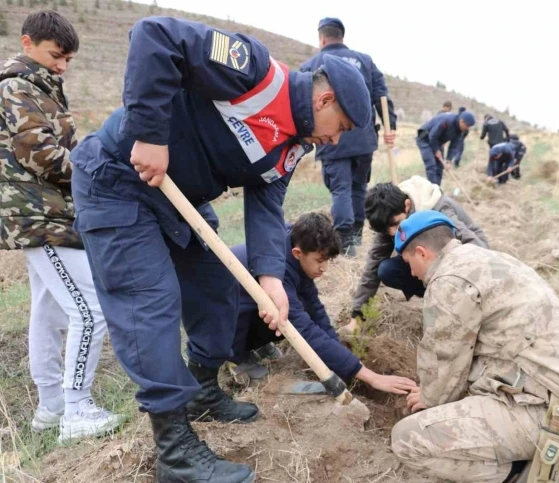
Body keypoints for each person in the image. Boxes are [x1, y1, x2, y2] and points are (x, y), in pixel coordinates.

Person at [69, 16, 372, 482]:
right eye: (340, 126)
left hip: (181, 200)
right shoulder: (253, 71)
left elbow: (268, 206)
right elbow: (154, 36)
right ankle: (175, 450)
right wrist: (151, 134)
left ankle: (204, 388)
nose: (334, 140)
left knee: (216, 285)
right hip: (119, 181)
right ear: (325, 99)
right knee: (152, 303)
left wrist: (271, 278)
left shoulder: (293, 148)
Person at [388, 210, 559, 483]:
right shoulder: (490, 259)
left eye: (408, 262)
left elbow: (444, 368)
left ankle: (525, 477)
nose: (411, 273)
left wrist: (427, 396)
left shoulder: (449, 281)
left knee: (407, 438)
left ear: (422, 253)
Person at [0, 10, 124, 443]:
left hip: (44, 212)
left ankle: (51, 408)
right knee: (90, 308)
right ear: (27, 42)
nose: (62, 66)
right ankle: (76, 410)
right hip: (40, 215)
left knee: (48, 311)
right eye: (57, 55)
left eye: (68, 59)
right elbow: (42, 155)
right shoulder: (18, 88)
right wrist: (100, 167)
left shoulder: (40, 87)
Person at [229, 212, 418, 396]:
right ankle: (236, 357)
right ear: (297, 253)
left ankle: (257, 343)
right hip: (219, 312)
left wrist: (342, 358)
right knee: (286, 316)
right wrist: (370, 377)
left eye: (327, 260)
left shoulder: (297, 243)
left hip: (245, 301)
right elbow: (306, 330)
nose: (324, 268)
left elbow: (315, 310)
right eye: (319, 261)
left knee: (297, 307)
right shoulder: (279, 270)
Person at [342, 176, 489, 334]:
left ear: (407, 205)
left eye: (396, 224)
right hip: (433, 263)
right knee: (387, 270)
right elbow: (372, 267)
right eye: (387, 230)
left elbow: (477, 246)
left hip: (465, 258)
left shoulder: (437, 210)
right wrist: (356, 317)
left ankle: (458, 304)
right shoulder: (387, 219)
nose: (393, 233)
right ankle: (436, 299)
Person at [300, 17, 396, 256]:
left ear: (322, 38)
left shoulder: (313, 63)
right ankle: (355, 238)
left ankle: (345, 244)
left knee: (341, 189)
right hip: (363, 139)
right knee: (358, 188)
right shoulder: (365, 61)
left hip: (332, 139)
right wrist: (389, 128)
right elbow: (381, 97)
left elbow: (300, 100)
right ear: (342, 37)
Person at [416, 110, 475, 185]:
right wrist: (436, 150)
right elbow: (432, 136)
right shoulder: (447, 121)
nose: (467, 128)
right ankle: (434, 190)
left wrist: (448, 160)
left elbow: (454, 146)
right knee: (431, 164)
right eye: (467, 126)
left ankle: (437, 189)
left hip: (437, 141)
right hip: (425, 138)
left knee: (440, 166)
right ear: (462, 121)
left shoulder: (460, 130)